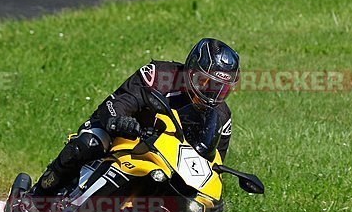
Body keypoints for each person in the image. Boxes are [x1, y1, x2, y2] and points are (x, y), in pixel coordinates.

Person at [30, 38, 240, 197]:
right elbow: (115, 105)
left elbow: (214, 162)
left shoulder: (222, 115)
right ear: (191, 69)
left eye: (220, 89)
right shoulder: (159, 74)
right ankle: (37, 196)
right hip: (124, 136)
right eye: (204, 82)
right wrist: (120, 121)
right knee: (89, 143)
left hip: (165, 160)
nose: (211, 92)